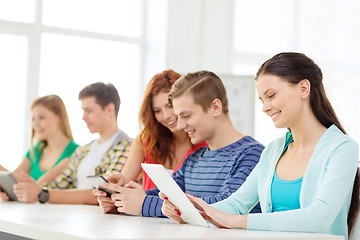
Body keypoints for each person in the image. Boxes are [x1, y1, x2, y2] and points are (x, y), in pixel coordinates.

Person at [161, 53, 359, 240]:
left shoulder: (342, 149)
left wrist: (238, 222)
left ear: (304, 89)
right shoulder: (273, 150)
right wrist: (192, 212)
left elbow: (319, 217)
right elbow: (237, 204)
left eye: (271, 96)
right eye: (262, 100)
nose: (265, 107)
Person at [96, 70, 264, 217]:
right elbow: (163, 194)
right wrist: (122, 202)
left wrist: (145, 204)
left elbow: (226, 206)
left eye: (187, 116)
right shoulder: (194, 160)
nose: (181, 125)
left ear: (215, 107)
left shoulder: (252, 154)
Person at [11, 82, 132, 204]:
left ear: (109, 110)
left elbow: (103, 193)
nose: (83, 117)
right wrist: (35, 188)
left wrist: (42, 193)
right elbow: (59, 184)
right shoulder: (84, 150)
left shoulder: (127, 147)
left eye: (88, 111)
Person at [95, 70, 206, 196]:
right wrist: (113, 195)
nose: (166, 116)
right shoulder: (146, 141)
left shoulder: (205, 143)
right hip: (145, 216)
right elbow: (124, 181)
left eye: (170, 106)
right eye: (157, 110)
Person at [0, 94, 78, 201]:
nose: (35, 124)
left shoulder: (76, 152)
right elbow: (11, 180)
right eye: (33, 119)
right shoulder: (35, 151)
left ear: (59, 117)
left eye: (41, 118)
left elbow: (35, 188)